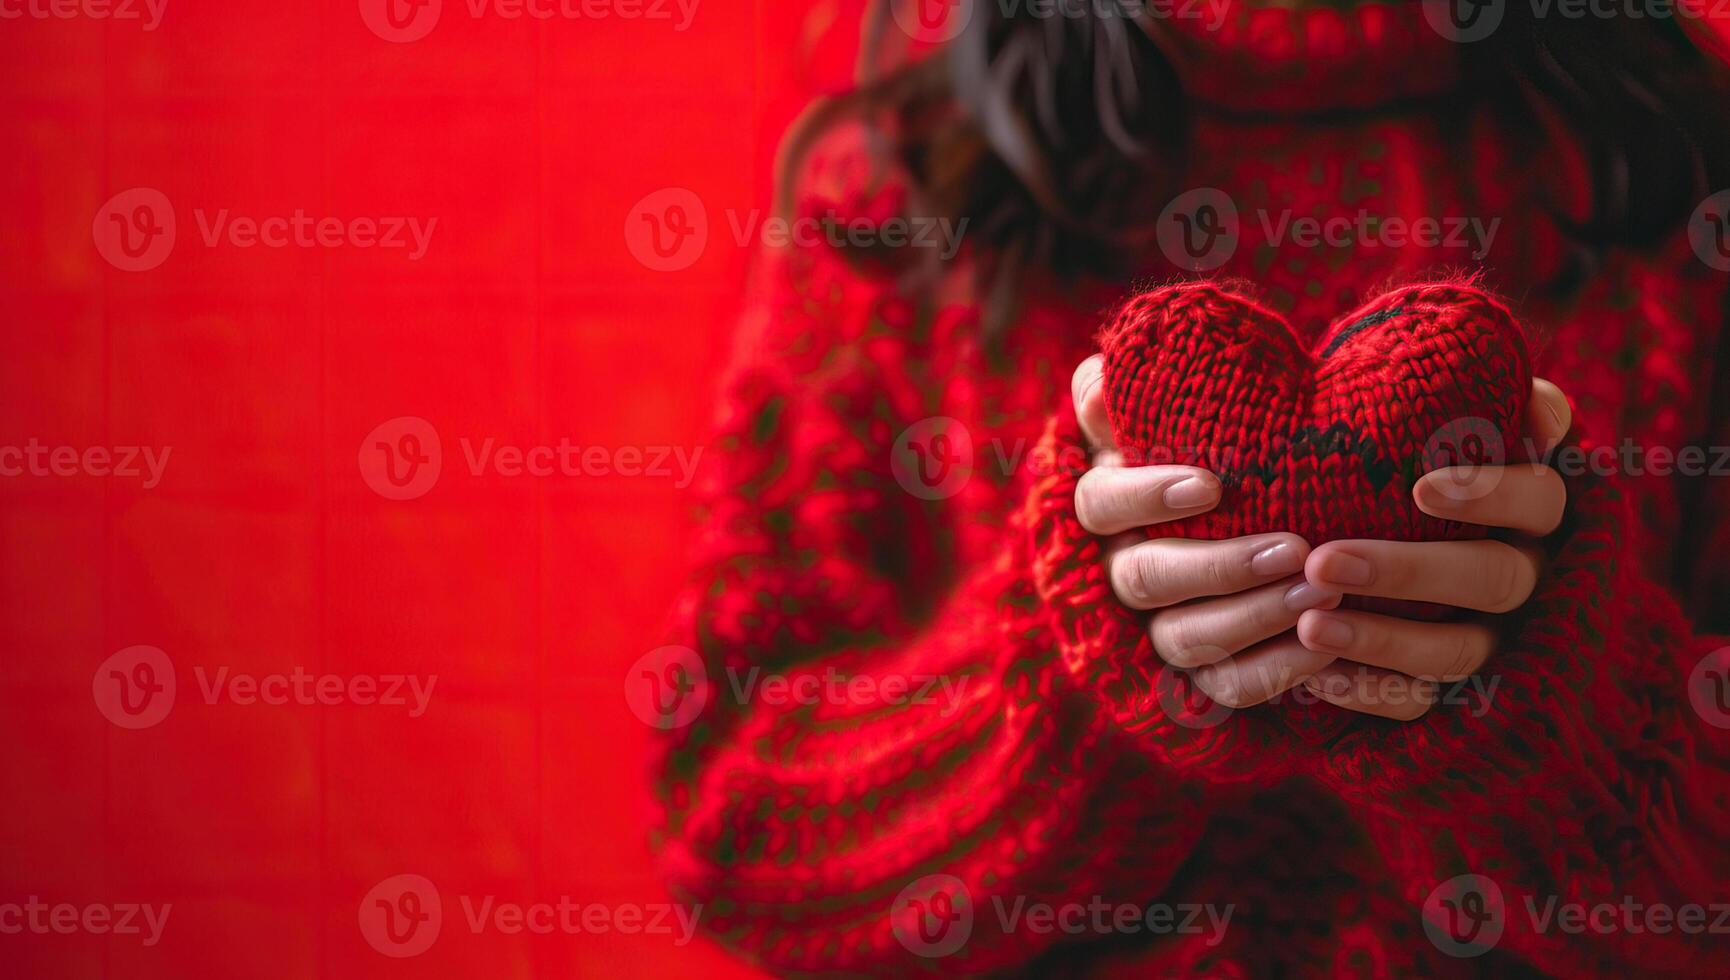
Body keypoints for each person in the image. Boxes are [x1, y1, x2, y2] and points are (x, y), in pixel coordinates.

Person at [653, 2, 1730, 974]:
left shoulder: (1696, 173)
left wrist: (1575, 720)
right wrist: (1066, 669)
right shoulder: (898, 186)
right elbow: (734, 830)